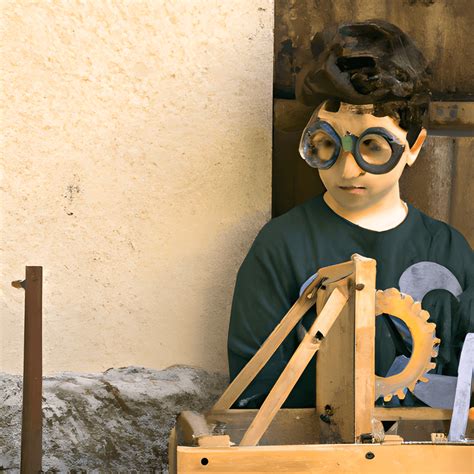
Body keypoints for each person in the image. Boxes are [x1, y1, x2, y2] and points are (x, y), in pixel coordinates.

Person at [227, 19, 473, 408]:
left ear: (413, 146)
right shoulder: (281, 246)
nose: (347, 169)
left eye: (373, 147)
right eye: (327, 144)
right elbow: (253, 392)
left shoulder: (448, 250)